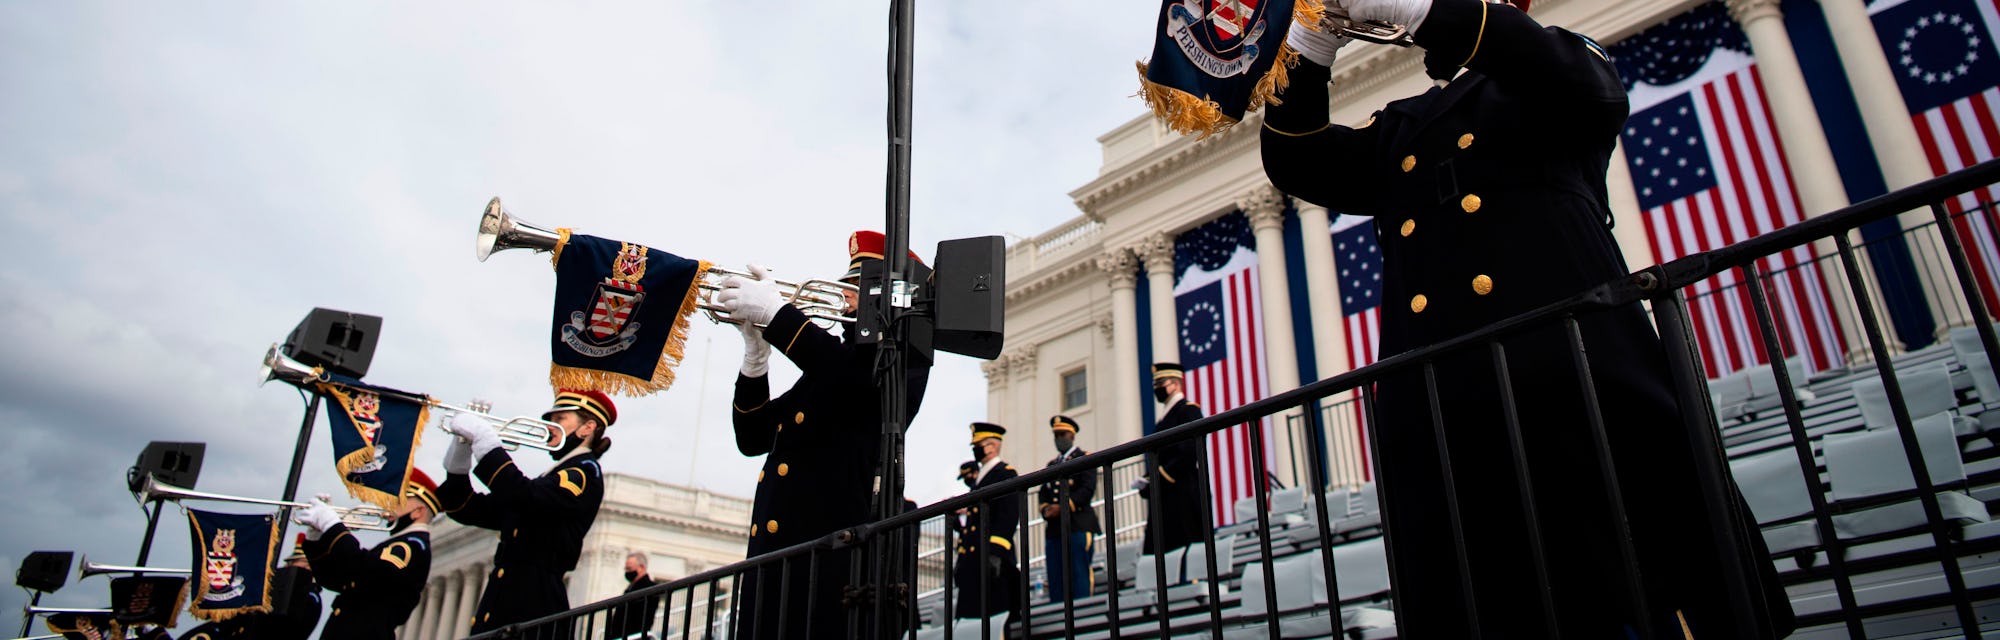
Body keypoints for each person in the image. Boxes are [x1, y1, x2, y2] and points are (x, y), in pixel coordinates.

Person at [1263, 0, 1796, 636]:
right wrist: (1312, 37)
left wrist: (1415, 8)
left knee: (1627, 587)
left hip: (1574, 381)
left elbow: (1565, 77)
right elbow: (1299, 158)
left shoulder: (1556, 70)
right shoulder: (1400, 128)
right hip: (1443, 408)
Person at [717, 230, 932, 639]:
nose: (844, 297)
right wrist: (755, 360)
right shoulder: (829, 362)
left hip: (827, 572)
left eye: (856, 287)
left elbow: (855, 382)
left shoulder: (901, 358)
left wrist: (778, 317)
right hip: (774, 571)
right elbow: (753, 436)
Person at [438, 389, 612, 635]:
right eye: (551, 420)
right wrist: (460, 456)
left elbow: (525, 496)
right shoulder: (551, 477)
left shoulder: (583, 471)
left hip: (534, 605)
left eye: (560, 419)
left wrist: (486, 442)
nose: (550, 426)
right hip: (507, 604)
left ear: (587, 428)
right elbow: (467, 509)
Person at [298, 469, 441, 640]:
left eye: (398, 500)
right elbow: (335, 579)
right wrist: (318, 538)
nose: (388, 505)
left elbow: (364, 569)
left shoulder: (411, 546)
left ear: (419, 511)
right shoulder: (397, 544)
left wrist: (333, 526)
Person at [951, 423, 1021, 622]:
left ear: (992, 446)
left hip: (992, 559)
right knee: (968, 622)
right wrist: (962, 558)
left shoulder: (1004, 473)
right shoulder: (980, 479)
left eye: (979, 444)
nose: (975, 449)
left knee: (993, 621)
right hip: (973, 562)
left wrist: (995, 553)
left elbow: (1007, 517)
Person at [1138, 363, 1206, 555]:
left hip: (1182, 492)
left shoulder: (1188, 411)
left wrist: (1160, 476)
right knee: (1161, 554)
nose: (1156, 388)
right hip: (1164, 497)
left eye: (1160, 382)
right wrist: (1148, 481)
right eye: (1154, 383)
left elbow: (1189, 452)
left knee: (1184, 550)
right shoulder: (1163, 419)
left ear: (1175, 384)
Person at [1037, 414, 1100, 604]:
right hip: (1055, 530)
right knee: (1056, 577)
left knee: (1079, 573)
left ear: (1072, 435)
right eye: (1056, 435)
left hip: (1078, 524)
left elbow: (1086, 490)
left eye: (1062, 434)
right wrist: (1046, 509)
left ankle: (1082, 617)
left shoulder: (1084, 458)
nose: (1059, 439)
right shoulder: (1052, 465)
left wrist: (1062, 507)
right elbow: (1043, 493)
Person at [605, 551, 663, 640]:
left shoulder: (649, 588)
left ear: (642, 567)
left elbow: (641, 618)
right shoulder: (631, 588)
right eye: (626, 569)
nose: (627, 572)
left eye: (630, 568)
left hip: (633, 636)